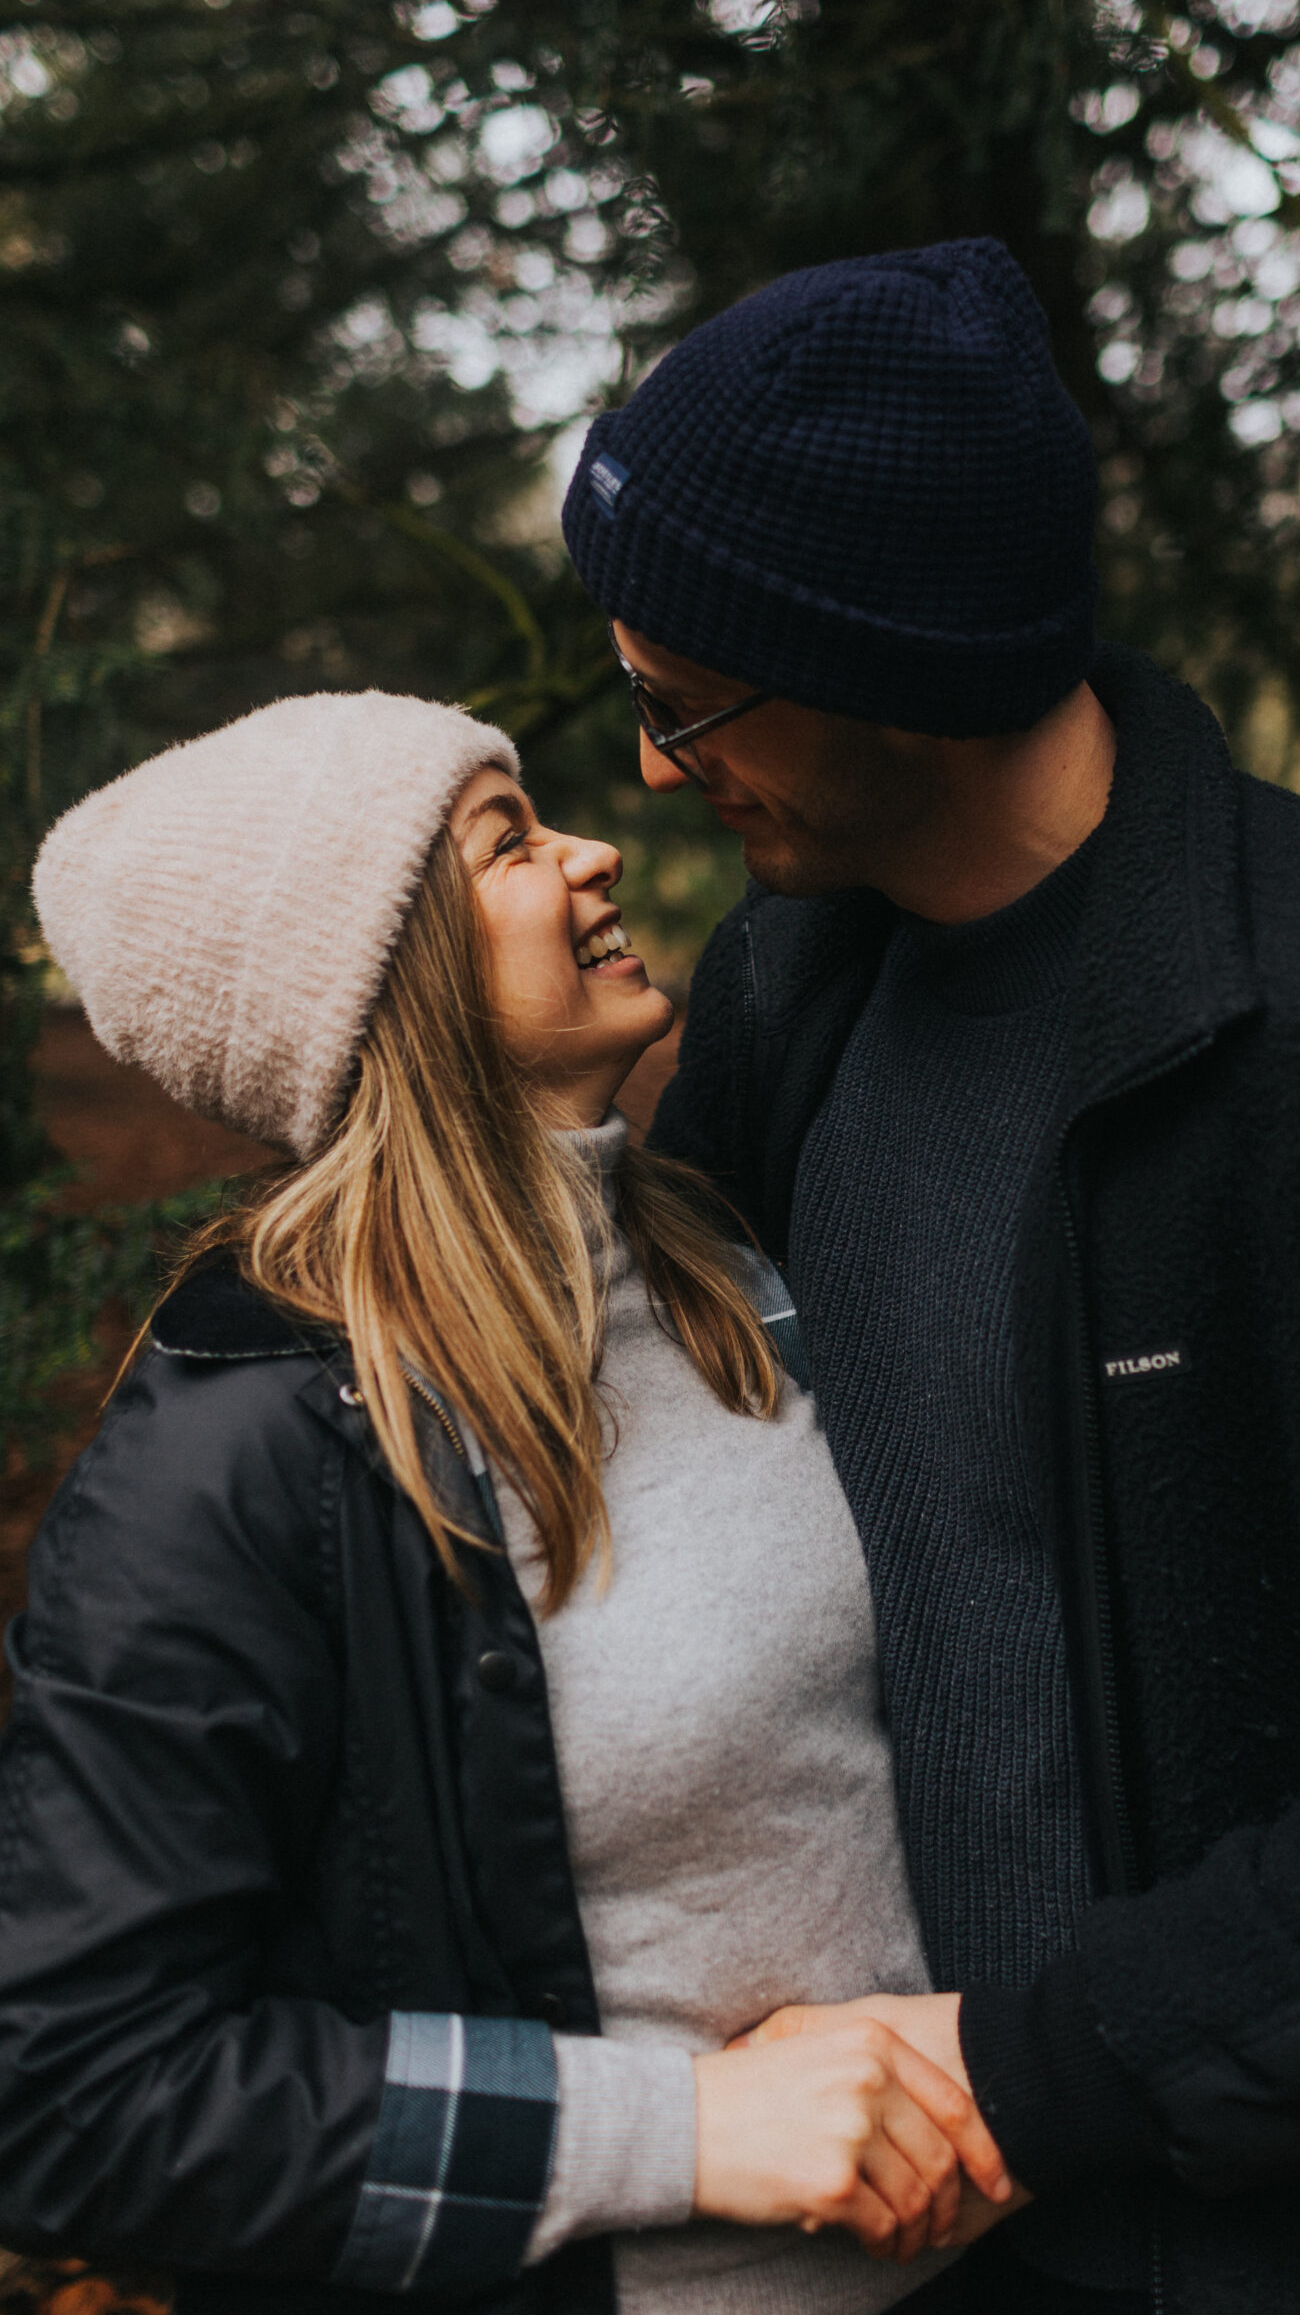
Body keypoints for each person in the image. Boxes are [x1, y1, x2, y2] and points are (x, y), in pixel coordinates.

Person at [558, 236, 1300, 2315]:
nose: (651, 767)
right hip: (862, 2240)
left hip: (1299, 2253)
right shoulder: (781, 1000)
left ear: (879, 658)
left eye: (685, 699)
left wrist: (1040, 2064)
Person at [3, 689, 1017, 2314]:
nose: (599, 848)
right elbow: (78, 2094)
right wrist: (682, 2130)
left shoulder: (728, 1278)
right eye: (508, 844)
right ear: (378, 977)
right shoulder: (247, 1449)